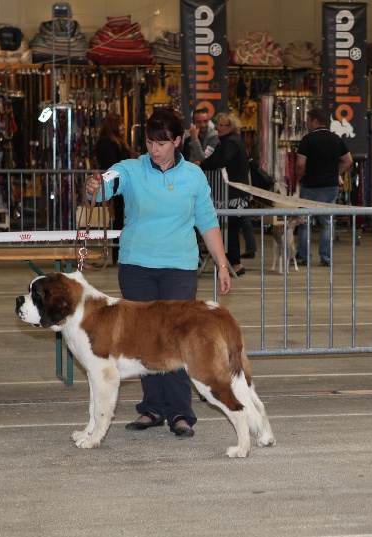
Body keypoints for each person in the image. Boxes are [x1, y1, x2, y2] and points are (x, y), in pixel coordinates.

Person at [85, 107, 231, 438]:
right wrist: (94, 185)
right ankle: (151, 408)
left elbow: (207, 221)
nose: (155, 149)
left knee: (178, 340)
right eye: (151, 142)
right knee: (143, 340)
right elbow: (103, 187)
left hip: (179, 268)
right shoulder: (129, 169)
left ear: (178, 141)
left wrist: (222, 264)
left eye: (162, 143)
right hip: (136, 266)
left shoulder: (194, 176)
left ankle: (180, 412)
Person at [295, 107, 354, 267]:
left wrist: (300, 175)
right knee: (326, 222)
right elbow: (348, 160)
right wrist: (335, 173)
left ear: (315, 121)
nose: (306, 124)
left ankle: (304, 256)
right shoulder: (336, 139)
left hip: (311, 185)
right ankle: (326, 258)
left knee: (304, 222)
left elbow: (301, 163)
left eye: (307, 121)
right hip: (330, 186)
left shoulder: (307, 140)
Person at [200, 113, 251, 276]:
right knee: (229, 228)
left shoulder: (231, 143)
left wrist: (202, 165)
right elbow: (213, 160)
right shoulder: (227, 142)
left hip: (235, 194)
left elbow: (221, 161)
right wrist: (201, 164)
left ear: (232, 127)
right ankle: (233, 262)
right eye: (218, 124)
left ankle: (235, 263)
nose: (218, 128)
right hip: (231, 194)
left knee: (232, 229)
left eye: (223, 125)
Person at [93, 113, 137, 265]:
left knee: (123, 218)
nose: (123, 127)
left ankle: (120, 252)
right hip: (117, 187)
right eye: (120, 124)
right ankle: (116, 254)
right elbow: (111, 164)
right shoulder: (106, 143)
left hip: (123, 186)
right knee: (119, 219)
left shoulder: (119, 142)